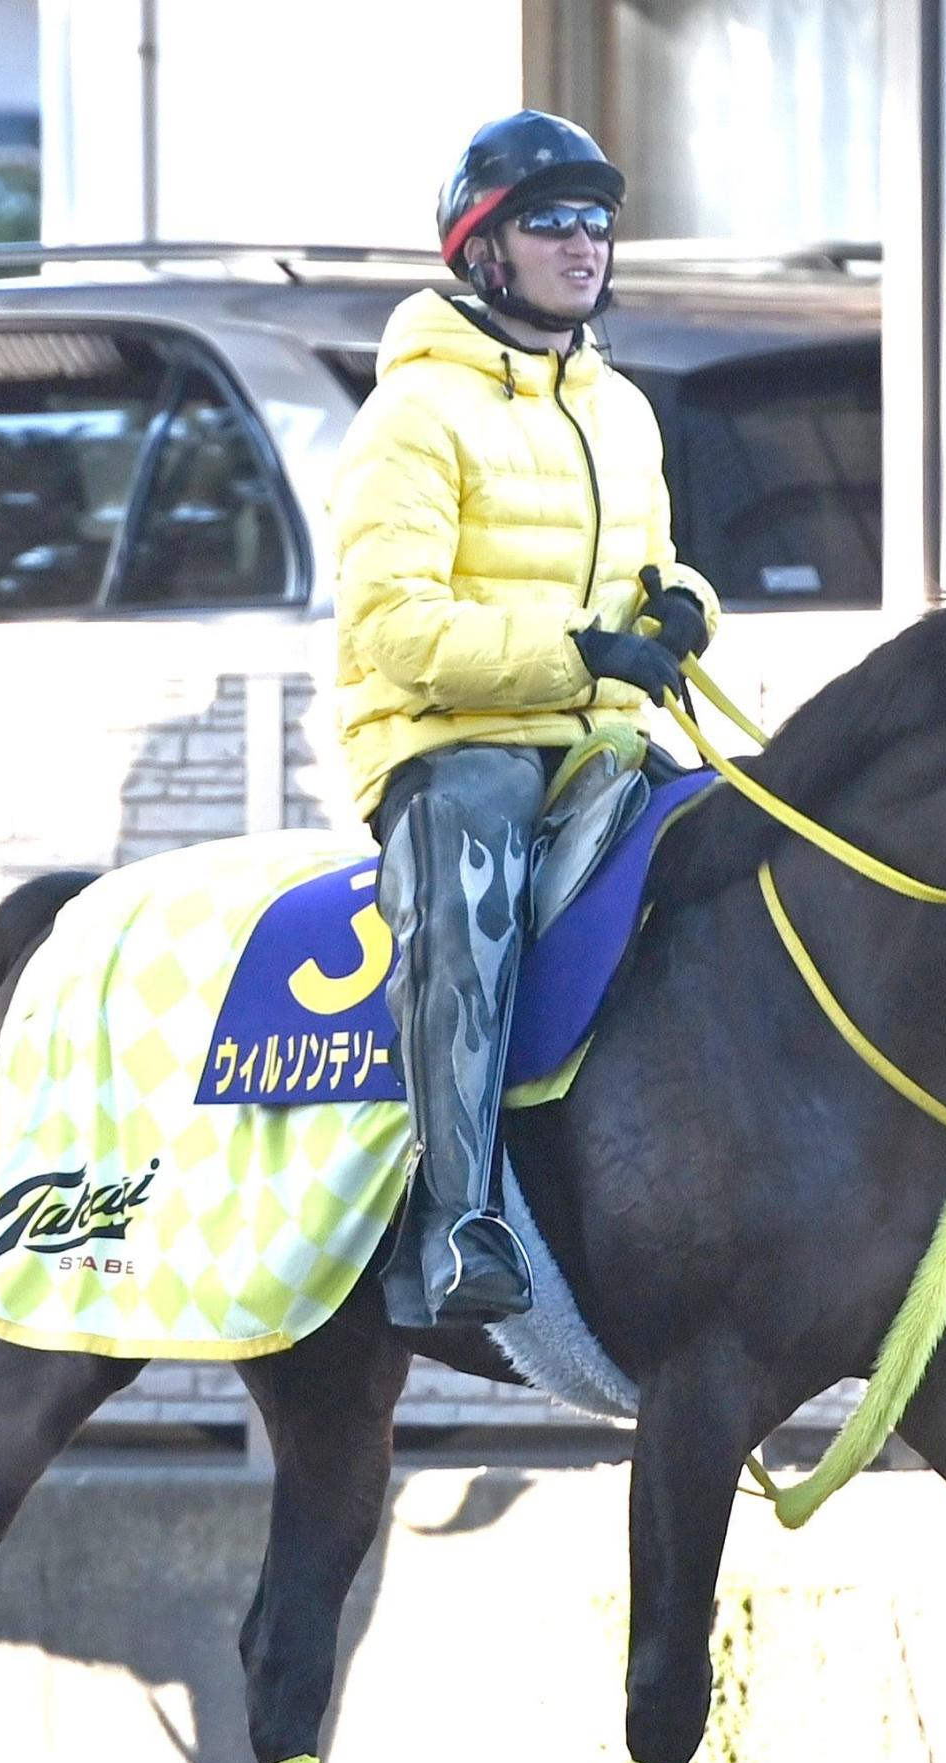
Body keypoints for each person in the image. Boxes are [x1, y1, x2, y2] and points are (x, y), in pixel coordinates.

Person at [331, 110, 720, 1329]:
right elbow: (394, 628)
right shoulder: (409, 416)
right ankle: (454, 1221)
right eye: (551, 221)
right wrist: (573, 657)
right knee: (476, 896)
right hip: (451, 746)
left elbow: (664, 562)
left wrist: (681, 612)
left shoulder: (623, 410)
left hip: (601, 734)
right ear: (484, 249)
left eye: (597, 220)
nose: (585, 242)